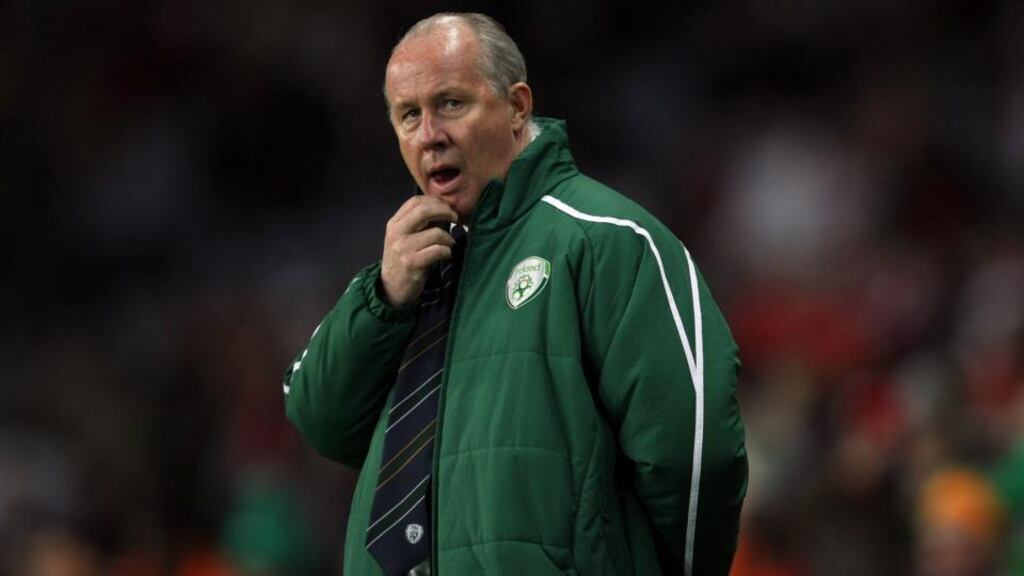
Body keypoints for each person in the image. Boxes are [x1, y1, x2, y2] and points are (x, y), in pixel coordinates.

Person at [283, 12, 747, 575]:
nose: (429, 134)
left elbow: (696, 456)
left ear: (517, 107)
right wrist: (382, 297)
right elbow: (320, 418)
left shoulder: (606, 238)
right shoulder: (405, 275)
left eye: (451, 103)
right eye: (409, 115)